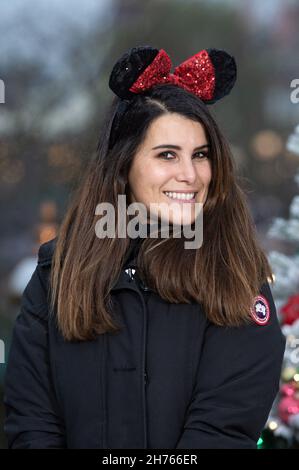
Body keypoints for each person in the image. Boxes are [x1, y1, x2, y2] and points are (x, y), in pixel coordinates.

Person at [3, 45, 285, 449]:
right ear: (124, 165)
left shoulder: (236, 274)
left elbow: (224, 429)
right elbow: (32, 421)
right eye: (167, 155)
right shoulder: (58, 274)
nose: (189, 174)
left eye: (200, 155)